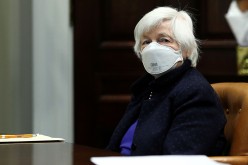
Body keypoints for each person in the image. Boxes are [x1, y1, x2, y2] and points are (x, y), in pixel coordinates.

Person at [106, 6, 227, 156]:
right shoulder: (147, 87)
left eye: (164, 40)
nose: (152, 48)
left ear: (186, 49)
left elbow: (178, 158)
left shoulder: (195, 92)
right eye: (146, 42)